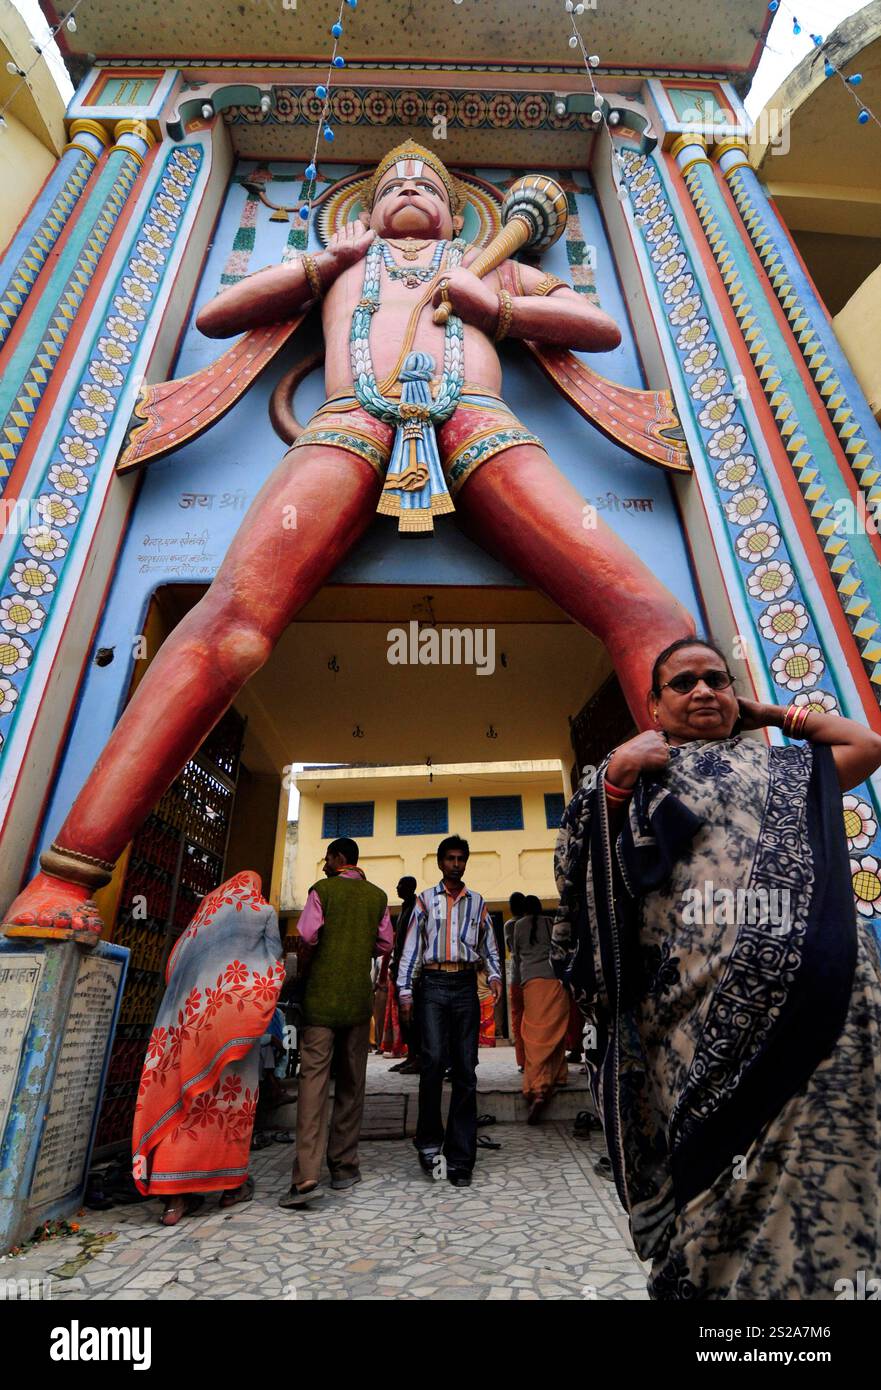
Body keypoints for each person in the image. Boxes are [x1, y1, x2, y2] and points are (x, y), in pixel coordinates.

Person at [3, 139, 694, 940]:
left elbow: (596, 326)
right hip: (348, 422)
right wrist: (321, 263)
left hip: (477, 423)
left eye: (425, 182)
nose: (407, 187)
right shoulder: (338, 265)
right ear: (363, 210)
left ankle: (706, 869)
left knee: (648, 614)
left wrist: (492, 305)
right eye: (390, 182)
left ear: (452, 206)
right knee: (230, 630)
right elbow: (218, 314)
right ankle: (65, 878)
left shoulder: (486, 264)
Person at [552, 636, 881, 1300]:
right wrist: (616, 775)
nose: (702, 690)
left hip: (832, 1011)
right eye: (683, 683)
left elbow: (867, 744)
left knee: (833, 1153)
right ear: (650, 703)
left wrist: (763, 712)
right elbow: (574, 874)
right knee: (719, 1174)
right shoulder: (630, 779)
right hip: (697, 1026)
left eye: (715, 679)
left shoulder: (786, 769)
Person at [132, 870, 285, 1225]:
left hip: (190, 1019)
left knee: (184, 1101)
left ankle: (175, 1200)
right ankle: (231, 1186)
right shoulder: (262, 912)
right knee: (230, 1105)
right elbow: (273, 963)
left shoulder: (201, 920)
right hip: (234, 1022)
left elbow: (173, 969)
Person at [279, 837, 392, 1209]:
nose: (324, 864)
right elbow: (383, 945)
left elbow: (308, 936)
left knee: (313, 1084)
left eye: (327, 857)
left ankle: (307, 1174)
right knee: (351, 1082)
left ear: (340, 858)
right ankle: (344, 1166)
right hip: (357, 1003)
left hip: (321, 1002)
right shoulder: (377, 897)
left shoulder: (321, 891)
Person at [398, 835, 502, 1187]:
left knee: (465, 1070)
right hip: (432, 987)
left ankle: (460, 1158)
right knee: (431, 1064)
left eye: (461, 858)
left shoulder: (478, 904)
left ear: (465, 863)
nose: (456, 864)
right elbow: (412, 948)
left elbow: (489, 947)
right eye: (450, 858)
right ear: (440, 862)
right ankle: (428, 1143)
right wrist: (405, 991)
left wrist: (496, 975)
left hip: (464, 988)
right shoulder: (425, 902)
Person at [511, 894, 569, 1123]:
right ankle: (558, 1076)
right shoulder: (551, 923)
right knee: (554, 1032)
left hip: (531, 983)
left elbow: (516, 956)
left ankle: (538, 1087)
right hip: (556, 982)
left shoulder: (517, 927)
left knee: (535, 1036)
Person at [389, 876, 420, 1074]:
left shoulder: (417, 909)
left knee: (414, 1017)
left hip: (414, 973)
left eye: (401, 885)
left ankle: (419, 1057)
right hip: (400, 969)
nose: (397, 887)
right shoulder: (403, 909)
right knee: (404, 1018)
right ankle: (411, 1055)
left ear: (410, 887)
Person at [503, 891, 527, 1071]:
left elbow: (511, 948)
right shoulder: (539, 923)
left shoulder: (509, 925)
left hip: (518, 976)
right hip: (536, 978)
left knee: (518, 1022)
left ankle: (523, 1061)